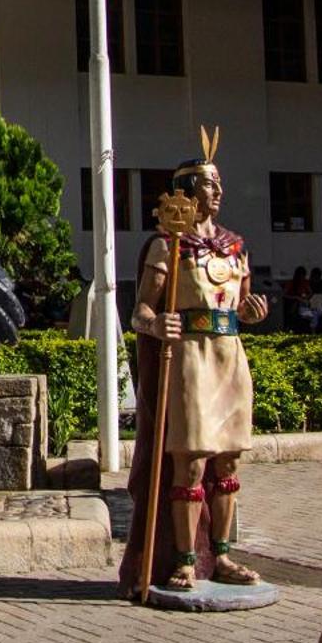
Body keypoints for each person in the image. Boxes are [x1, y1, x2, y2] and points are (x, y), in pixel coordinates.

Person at [119, 137, 270, 594]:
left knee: (228, 462)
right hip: (189, 360)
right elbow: (139, 310)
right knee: (190, 465)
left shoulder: (234, 247)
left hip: (229, 357)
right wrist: (154, 324)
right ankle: (185, 559)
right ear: (186, 191)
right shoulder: (169, 246)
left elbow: (240, 302)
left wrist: (251, 312)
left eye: (219, 183)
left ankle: (221, 554)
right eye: (207, 184)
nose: (217, 191)